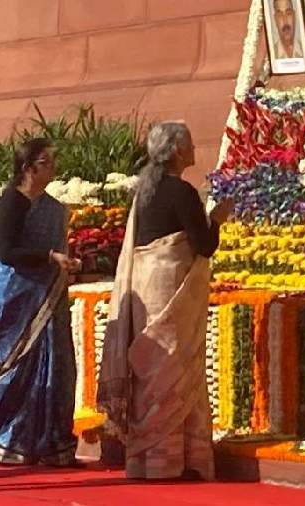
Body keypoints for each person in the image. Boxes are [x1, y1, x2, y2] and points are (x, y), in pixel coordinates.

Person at [98, 122, 234, 480]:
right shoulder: (182, 192)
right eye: (189, 145)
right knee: (176, 366)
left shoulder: (145, 191)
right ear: (176, 151)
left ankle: (146, 460)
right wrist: (217, 219)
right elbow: (204, 245)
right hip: (173, 288)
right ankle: (176, 460)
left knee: (152, 367)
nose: (194, 150)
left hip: (146, 287)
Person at [0, 138, 81, 466]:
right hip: (20, 300)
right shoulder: (12, 202)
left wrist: (64, 262)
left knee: (57, 369)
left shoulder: (51, 207)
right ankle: (2, 437)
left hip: (49, 297)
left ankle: (51, 444)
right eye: (46, 162)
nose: (53, 168)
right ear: (28, 167)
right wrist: (49, 257)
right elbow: (7, 252)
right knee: (19, 370)